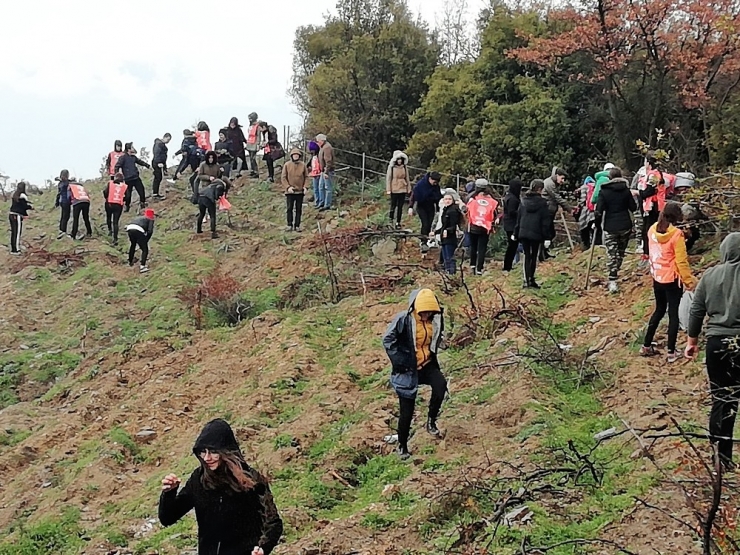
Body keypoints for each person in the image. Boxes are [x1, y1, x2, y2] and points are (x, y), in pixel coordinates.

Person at [159, 418, 283, 555]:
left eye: (213, 451)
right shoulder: (199, 479)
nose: (206, 458)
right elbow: (167, 518)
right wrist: (169, 493)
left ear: (226, 450)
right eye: (202, 452)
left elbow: (273, 523)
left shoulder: (251, 480)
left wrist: (263, 548)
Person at [686, 233, 740, 470]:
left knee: (722, 398)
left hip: (716, 343)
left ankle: (721, 457)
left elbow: (696, 310)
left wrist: (691, 341)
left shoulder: (709, 275)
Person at [382, 289, 448, 459]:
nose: (426, 315)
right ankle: (402, 446)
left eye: (430, 312)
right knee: (407, 411)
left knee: (440, 386)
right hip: (407, 369)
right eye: (423, 312)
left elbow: (436, 337)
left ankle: (431, 421)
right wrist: (401, 360)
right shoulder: (404, 320)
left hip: (427, 364)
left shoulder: (436, 319)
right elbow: (387, 340)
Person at [641, 202, 696, 363]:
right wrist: (689, 281)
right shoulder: (676, 235)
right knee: (673, 314)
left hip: (657, 276)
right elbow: (681, 261)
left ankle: (646, 344)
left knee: (659, 309)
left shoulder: (652, 229)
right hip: (672, 279)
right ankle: (671, 352)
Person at [595, 167, 637, 293]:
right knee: (620, 251)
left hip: (610, 226)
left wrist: (597, 225)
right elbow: (633, 207)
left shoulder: (604, 191)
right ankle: (616, 271)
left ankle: (612, 278)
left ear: (610, 177)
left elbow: (598, 211)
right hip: (625, 225)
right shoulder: (626, 190)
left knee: (611, 252)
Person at [514, 180, 551, 289]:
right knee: (534, 255)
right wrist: (547, 237)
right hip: (536, 232)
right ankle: (531, 279)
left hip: (524, 232)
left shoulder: (523, 201)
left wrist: (516, 232)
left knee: (526, 255)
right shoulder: (543, 203)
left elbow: (519, 218)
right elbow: (545, 221)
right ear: (540, 189)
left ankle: (526, 281)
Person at [637, 151, 669, 262]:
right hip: (653, 206)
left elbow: (649, 191)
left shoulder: (653, 174)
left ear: (648, 162)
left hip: (653, 206)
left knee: (650, 230)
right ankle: (649, 253)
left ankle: (650, 254)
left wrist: (638, 193)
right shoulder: (655, 173)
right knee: (648, 229)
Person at [466, 179, 498, 275]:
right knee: (482, 248)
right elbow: (495, 212)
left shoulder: (472, 197)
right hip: (485, 227)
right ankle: (479, 269)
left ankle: (472, 266)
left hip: (473, 226)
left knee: (473, 247)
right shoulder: (492, 199)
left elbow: (467, 210)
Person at [408, 171, 442, 253]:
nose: (435, 183)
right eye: (434, 181)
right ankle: (423, 241)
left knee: (430, 224)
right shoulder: (420, 185)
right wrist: (411, 207)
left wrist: (438, 209)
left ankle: (427, 240)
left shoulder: (436, 186)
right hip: (421, 206)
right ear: (430, 179)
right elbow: (414, 196)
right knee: (425, 223)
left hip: (430, 207)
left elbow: (438, 197)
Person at [542, 167, 571, 259]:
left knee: (550, 233)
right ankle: (541, 253)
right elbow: (556, 197)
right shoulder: (549, 184)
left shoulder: (553, 183)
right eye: (562, 178)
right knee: (547, 233)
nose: (563, 181)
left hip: (550, 210)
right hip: (546, 211)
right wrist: (569, 208)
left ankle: (544, 252)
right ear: (557, 176)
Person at [115, 143, 150, 212]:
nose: (133, 148)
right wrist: (117, 174)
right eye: (132, 147)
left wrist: (147, 165)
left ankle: (142, 203)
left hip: (135, 177)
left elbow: (140, 162)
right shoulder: (123, 157)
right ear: (129, 149)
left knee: (141, 190)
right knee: (128, 195)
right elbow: (117, 165)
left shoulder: (133, 157)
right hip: (128, 179)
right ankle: (127, 206)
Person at [281, 148, 308, 232]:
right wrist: (288, 187)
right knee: (289, 208)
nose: (296, 156)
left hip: (300, 191)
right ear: (291, 156)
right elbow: (283, 177)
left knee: (299, 209)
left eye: (297, 155)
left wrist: (305, 187)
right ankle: (289, 224)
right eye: (294, 155)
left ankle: (297, 225)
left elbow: (307, 177)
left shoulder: (303, 165)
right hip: (290, 192)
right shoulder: (287, 165)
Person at [502, 178, 523, 272]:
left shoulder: (509, 196)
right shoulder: (513, 199)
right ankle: (507, 266)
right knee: (512, 246)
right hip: (511, 224)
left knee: (512, 246)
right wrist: (521, 213)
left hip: (508, 223)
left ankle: (508, 265)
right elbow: (511, 212)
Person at [386, 151, 411, 229]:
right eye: (398, 159)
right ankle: (390, 221)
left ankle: (398, 222)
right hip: (394, 188)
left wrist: (409, 188)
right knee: (393, 205)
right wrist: (388, 189)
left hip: (402, 187)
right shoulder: (392, 167)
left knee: (400, 206)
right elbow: (389, 178)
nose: (399, 161)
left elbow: (407, 177)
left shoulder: (404, 167)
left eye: (401, 159)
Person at [126, 208, 155, 273]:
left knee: (133, 245)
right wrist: (146, 240)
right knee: (145, 249)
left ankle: (130, 261)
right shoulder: (150, 220)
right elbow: (150, 231)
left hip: (130, 228)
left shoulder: (139, 218)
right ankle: (142, 266)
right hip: (138, 230)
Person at [440, 193, 462, 274]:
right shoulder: (445, 210)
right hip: (444, 237)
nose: (447, 201)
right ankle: (447, 271)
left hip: (450, 237)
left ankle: (451, 272)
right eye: (446, 199)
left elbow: (454, 225)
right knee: (445, 257)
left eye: (449, 199)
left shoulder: (453, 211)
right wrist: (435, 232)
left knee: (450, 256)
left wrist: (447, 231)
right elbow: (443, 225)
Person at [103, 172, 128, 245]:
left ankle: (110, 230)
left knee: (108, 217)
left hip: (109, 203)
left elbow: (105, 192)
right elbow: (127, 196)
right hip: (118, 205)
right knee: (115, 222)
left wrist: (107, 198)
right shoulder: (124, 186)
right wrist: (123, 200)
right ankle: (115, 238)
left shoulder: (110, 183)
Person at [9, 181, 33, 255]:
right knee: (17, 233)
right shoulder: (22, 196)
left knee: (14, 232)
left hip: (11, 215)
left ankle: (14, 248)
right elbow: (23, 207)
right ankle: (16, 250)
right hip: (17, 216)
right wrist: (30, 207)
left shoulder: (14, 194)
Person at [576, 176, 597, 249]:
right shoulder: (596, 186)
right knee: (594, 229)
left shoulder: (584, 187)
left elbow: (582, 201)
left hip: (586, 211)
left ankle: (586, 246)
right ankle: (595, 246)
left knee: (584, 229)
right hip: (594, 210)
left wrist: (579, 207)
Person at [316, 134, 335, 210]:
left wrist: (326, 172)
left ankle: (327, 205)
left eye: (318, 141)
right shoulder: (323, 147)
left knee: (327, 188)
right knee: (321, 187)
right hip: (323, 171)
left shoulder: (327, 148)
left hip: (327, 171)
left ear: (322, 140)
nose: (317, 142)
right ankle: (322, 203)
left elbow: (328, 161)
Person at [152, 133, 171, 200]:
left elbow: (164, 157)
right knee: (157, 177)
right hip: (157, 163)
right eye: (168, 139)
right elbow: (156, 153)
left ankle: (157, 193)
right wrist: (158, 162)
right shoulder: (158, 144)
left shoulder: (163, 146)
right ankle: (155, 194)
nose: (168, 141)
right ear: (165, 137)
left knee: (160, 177)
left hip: (162, 164)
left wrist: (165, 167)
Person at [55, 169, 73, 239]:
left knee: (63, 216)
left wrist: (57, 202)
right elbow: (68, 184)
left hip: (62, 201)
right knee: (65, 216)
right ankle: (62, 230)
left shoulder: (60, 183)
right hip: (66, 201)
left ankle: (62, 230)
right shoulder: (65, 183)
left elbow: (58, 194)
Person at [245, 112, 261, 178]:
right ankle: (252, 170)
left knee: (253, 158)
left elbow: (258, 136)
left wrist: (258, 144)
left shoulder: (258, 126)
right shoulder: (250, 126)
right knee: (250, 158)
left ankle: (256, 171)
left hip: (254, 144)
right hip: (249, 143)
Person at [308, 141, 322, 208]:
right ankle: (316, 202)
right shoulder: (312, 157)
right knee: (315, 189)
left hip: (319, 174)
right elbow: (309, 163)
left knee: (320, 188)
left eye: (313, 150)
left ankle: (320, 202)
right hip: (314, 174)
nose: (311, 152)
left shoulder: (319, 156)